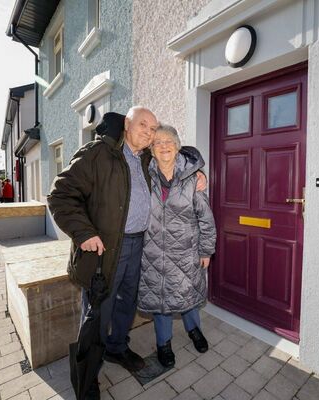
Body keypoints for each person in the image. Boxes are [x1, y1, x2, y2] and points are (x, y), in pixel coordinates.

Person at [49, 107, 209, 398]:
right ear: (126, 124)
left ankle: (117, 348)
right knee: (98, 312)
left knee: (127, 303)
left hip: (140, 245)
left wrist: (198, 174)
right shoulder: (98, 153)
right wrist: (83, 232)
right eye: (143, 125)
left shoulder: (146, 157)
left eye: (153, 128)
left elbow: (177, 155)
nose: (149, 132)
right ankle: (87, 376)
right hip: (107, 248)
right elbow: (60, 193)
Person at [137, 125, 216, 367]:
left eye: (168, 141)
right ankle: (163, 343)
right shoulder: (142, 175)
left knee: (188, 294)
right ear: (151, 148)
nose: (163, 146)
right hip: (151, 253)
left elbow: (206, 217)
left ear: (177, 145)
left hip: (185, 251)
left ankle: (194, 330)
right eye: (157, 142)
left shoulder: (193, 179)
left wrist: (206, 250)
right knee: (161, 301)